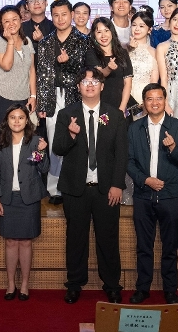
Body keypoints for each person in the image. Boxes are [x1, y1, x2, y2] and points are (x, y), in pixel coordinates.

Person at [53, 69, 128, 304]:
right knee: (76, 238)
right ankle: (74, 284)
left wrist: (117, 184)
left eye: (95, 81)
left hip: (106, 189)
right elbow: (58, 148)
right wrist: (71, 134)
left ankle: (112, 285)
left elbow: (121, 154)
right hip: (76, 188)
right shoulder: (67, 114)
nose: (90, 85)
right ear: (79, 87)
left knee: (108, 238)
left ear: (102, 86)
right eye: (85, 81)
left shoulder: (114, 115)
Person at [127, 83, 178, 305]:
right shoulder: (134, 128)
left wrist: (173, 147)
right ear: (144, 103)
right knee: (143, 246)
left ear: (165, 100)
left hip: (170, 196)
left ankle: (170, 290)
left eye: (159, 98)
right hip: (143, 195)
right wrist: (145, 180)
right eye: (150, 99)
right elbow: (128, 161)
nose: (155, 103)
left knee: (169, 247)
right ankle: (142, 288)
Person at [36, 0, 93, 201]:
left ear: (72, 15)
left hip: (76, 96)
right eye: (56, 15)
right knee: (55, 141)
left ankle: (76, 183)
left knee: (77, 140)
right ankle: (55, 189)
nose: (60, 19)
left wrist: (69, 62)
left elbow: (87, 71)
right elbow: (42, 74)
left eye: (64, 14)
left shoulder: (84, 40)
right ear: (51, 17)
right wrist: (42, 103)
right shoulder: (45, 42)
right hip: (52, 96)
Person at [0, 103, 49, 301]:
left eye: (21, 117)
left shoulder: (36, 141)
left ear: (27, 121)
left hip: (29, 199)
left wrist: (42, 152)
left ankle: (24, 284)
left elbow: (44, 169)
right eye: (13, 117)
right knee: (10, 242)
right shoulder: (1, 143)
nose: (16, 121)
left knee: (25, 242)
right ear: (7, 121)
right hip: (7, 199)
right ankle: (10, 284)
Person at [0, 6, 37, 135]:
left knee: (24, 139)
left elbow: (31, 69)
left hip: (24, 98)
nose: (11, 24)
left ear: (21, 20)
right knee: (2, 139)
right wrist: (10, 41)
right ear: (1, 24)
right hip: (2, 96)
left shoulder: (27, 42)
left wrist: (33, 96)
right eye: (6, 21)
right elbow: (7, 65)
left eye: (14, 19)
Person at [87, 17, 133, 113]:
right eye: (99, 32)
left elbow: (127, 83)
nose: (103, 35)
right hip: (100, 104)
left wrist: (121, 109)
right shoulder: (91, 54)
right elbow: (100, 74)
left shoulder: (123, 53)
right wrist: (108, 68)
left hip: (120, 104)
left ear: (112, 32)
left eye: (106, 31)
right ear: (94, 35)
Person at [129, 11, 159, 115]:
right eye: (134, 25)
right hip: (126, 95)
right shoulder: (124, 49)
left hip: (144, 97)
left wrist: (148, 99)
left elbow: (154, 80)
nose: (137, 29)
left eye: (141, 26)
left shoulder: (154, 52)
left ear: (149, 30)